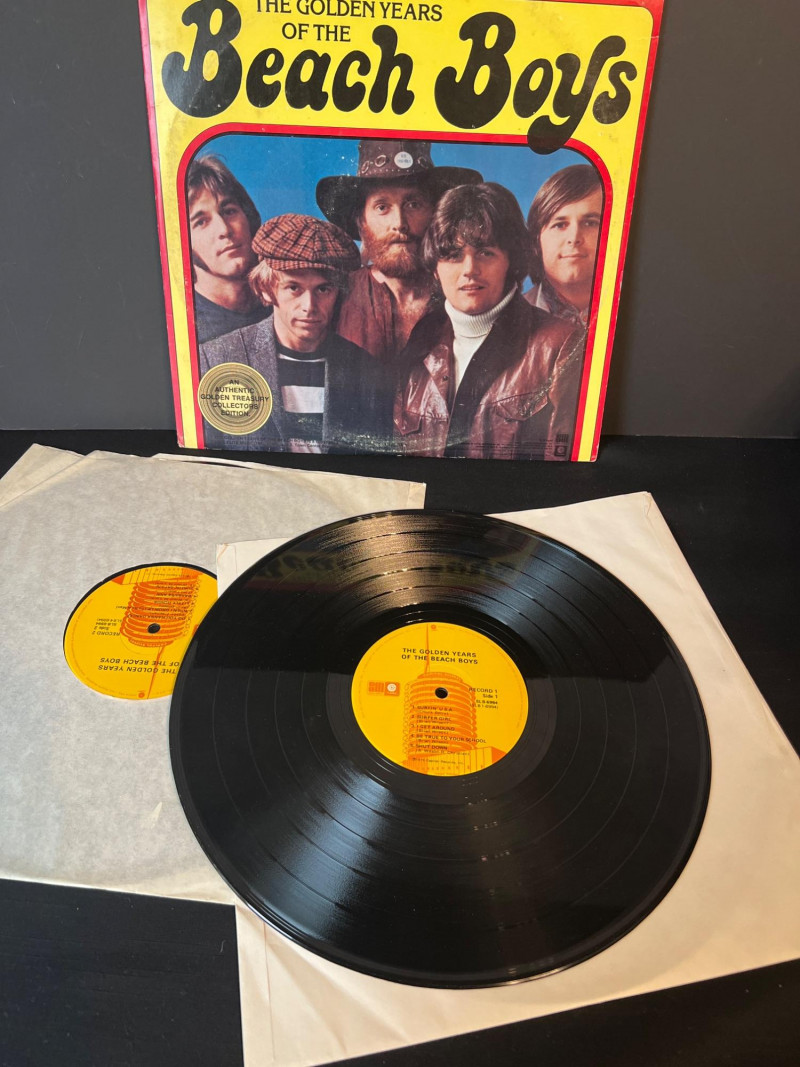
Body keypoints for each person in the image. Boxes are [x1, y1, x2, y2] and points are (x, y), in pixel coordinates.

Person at [394, 183, 584, 461]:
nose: (469, 269)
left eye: (485, 252)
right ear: (435, 268)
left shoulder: (561, 344)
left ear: (511, 261)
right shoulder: (420, 342)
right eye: (454, 255)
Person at [199, 214, 393, 454]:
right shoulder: (215, 359)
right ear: (265, 288)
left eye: (323, 289)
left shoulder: (367, 371)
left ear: (339, 293)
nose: (309, 306)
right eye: (293, 288)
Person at [316, 140, 481, 363]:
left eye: (413, 204)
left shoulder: (466, 293)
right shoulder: (335, 296)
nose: (400, 223)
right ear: (361, 222)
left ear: (435, 215)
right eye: (382, 207)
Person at [187, 154, 272, 343]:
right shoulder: (183, 327)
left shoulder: (288, 305)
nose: (224, 230)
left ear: (248, 218)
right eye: (201, 222)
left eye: (229, 211)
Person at [525, 164, 603, 326]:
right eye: (560, 225)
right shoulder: (506, 321)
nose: (574, 238)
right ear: (536, 241)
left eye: (590, 223)